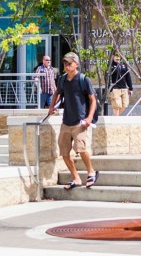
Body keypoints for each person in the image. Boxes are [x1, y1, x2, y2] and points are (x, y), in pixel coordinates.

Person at [48, 52, 101, 189]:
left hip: (80, 121)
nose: (67, 66)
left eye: (70, 63)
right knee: (64, 152)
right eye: (65, 63)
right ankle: (76, 178)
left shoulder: (83, 79)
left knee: (81, 149)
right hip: (66, 122)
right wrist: (51, 107)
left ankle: (91, 172)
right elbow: (57, 93)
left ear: (76, 64)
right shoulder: (62, 79)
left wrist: (89, 118)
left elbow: (93, 100)